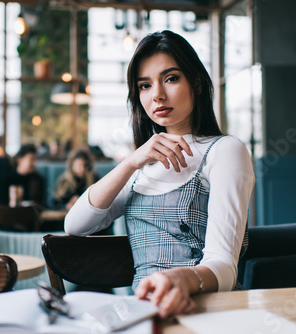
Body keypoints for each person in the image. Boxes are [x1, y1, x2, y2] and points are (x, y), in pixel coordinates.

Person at [64, 30, 254, 319]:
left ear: (198, 83)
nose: (158, 95)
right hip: (143, 316)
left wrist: (182, 279)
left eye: (171, 78)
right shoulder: (142, 166)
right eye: (144, 85)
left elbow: (225, 266)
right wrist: (131, 162)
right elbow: (75, 225)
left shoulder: (225, 150)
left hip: (206, 312)